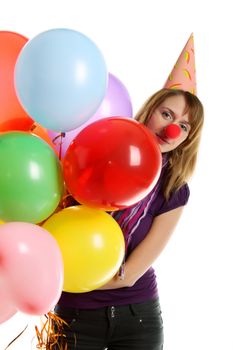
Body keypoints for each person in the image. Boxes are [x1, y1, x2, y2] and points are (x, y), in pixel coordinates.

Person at [50, 87, 204, 350]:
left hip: (138, 319)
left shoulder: (173, 188)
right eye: (166, 114)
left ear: (187, 140)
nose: (172, 130)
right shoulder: (94, 154)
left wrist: (60, 281)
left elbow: (129, 275)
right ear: (150, 111)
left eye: (183, 127)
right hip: (75, 318)